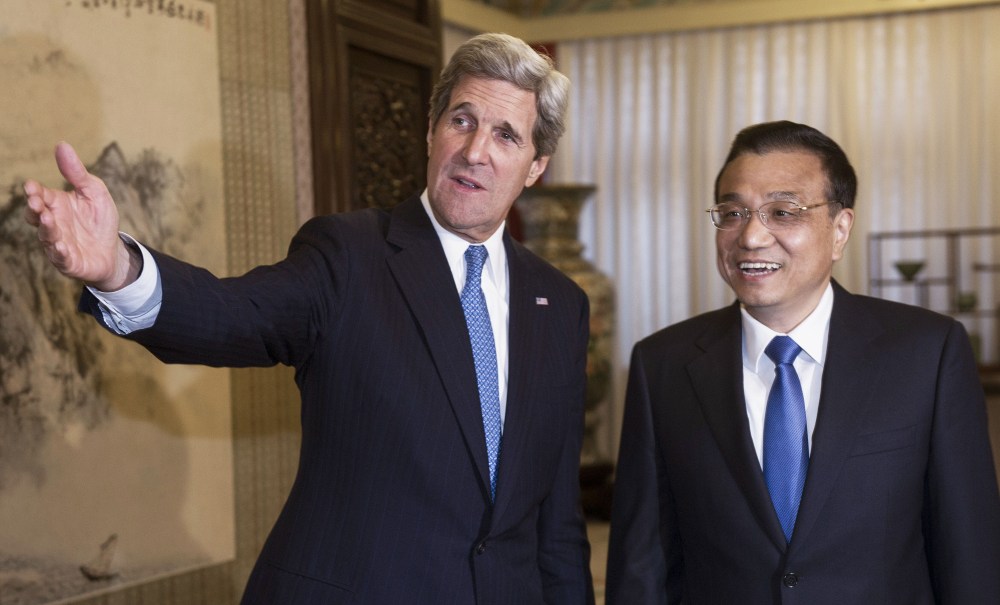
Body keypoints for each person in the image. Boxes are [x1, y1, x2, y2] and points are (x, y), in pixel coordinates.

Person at [24, 33, 595, 605]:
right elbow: (234, 313)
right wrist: (117, 268)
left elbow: (556, 525)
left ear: (535, 166)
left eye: (505, 135)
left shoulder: (560, 304)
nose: (475, 151)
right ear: (430, 130)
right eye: (461, 120)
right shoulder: (350, 254)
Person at [605, 120, 1000, 604]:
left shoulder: (927, 353)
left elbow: (969, 551)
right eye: (732, 213)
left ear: (840, 229)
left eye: (783, 212)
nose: (750, 237)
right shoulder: (662, 364)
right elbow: (642, 560)